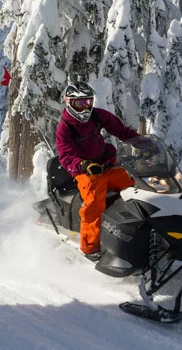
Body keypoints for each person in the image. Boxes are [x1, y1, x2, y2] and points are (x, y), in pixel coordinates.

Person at [56, 81, 140, 260]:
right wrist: (84, 165)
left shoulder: (97, 116)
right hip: (85, 172)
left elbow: (120, 130)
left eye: (88, 102)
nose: (85, 108)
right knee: (94, 202)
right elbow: (66, 156)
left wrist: (140, 142)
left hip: (105, 164)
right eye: (80, 104)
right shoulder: (65, 128)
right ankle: (90, 247)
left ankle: (135, 231)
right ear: (69, 103)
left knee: (132, 188)